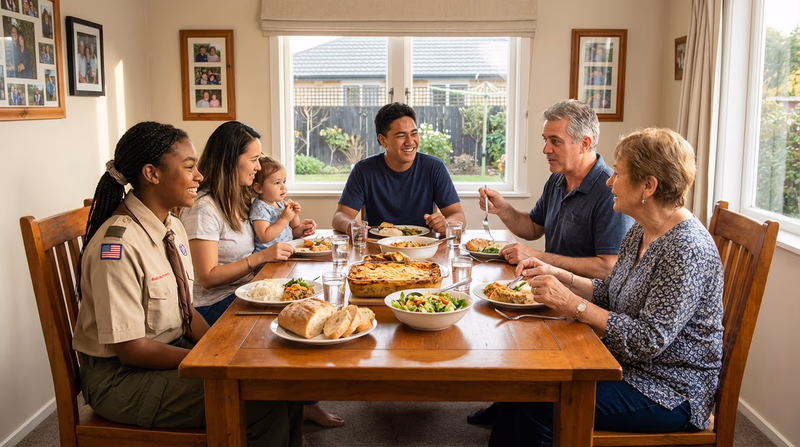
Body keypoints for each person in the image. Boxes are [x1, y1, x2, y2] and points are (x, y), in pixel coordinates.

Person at [73, 121, 303, 446]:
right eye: (189, 168)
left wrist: (221, 350)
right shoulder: (118, 248)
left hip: (170, 350)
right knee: (262, 401)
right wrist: (211, 361)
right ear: (152, 174)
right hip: (123, 379)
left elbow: (186, 310)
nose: (199, 177)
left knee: (277, 381)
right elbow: (131, 349)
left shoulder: (172, 225)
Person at [489, 127, 724, 446]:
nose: (609, 181)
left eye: (618, 173)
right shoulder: (642, 230)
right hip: (626, 365)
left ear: (648, 186)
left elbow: (647, 340)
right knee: (527, 380)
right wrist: (557, 274)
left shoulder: (685, 249)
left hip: (669, 390)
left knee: (538, 401)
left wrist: (573, 305)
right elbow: (609, 292)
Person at [469, 99, 632, 426]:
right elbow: (533, 228)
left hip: (581, 303)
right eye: (545, 140)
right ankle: (509, 402)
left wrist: (539, 257)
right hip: (548, 291)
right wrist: (503, 209)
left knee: (500, 324)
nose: (545, 149)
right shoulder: (557, 180)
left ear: (585, 143)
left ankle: (518, 409)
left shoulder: (608, 191)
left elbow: (608, 268)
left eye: (554, 141)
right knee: (486, 311)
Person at [179, 121, 342, 427]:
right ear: (230, 159)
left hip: (244, 291)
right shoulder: (204, 208)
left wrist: (291, 230)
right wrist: (261, 258)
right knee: (286, 330)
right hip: (213, 305)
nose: (258, 166)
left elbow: (266, 237)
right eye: (253, 160)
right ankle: (288, 405)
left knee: (311, 305)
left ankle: (300, 402)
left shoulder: (239, 199)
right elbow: (207, 277)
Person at [332, 102, 466, 235]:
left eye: (414, 133)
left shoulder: (434, 168)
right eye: (401, 136)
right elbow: (340, 216)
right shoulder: (363, 170)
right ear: (383, 140)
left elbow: (458, 215)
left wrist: (446, 224)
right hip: (377, 249)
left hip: (422, 247)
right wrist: (351, 226)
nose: (410, 141)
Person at [250, 157, 316, 252]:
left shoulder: (280, 204)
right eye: (277, 183)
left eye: (284, 181)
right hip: (268, 258)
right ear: (259, 188)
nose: (283, 187)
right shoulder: (260, 208)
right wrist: (284, 219)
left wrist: (294, 216)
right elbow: (264, 236)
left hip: (286, 252)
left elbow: (293, 230)